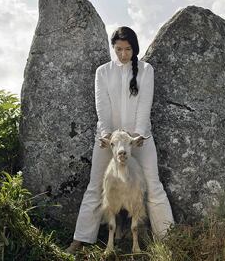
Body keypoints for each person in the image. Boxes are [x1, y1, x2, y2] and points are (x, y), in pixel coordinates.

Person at [66, 26, 174, 254]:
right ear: (113, 48)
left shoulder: (146, 70)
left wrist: (139, 135)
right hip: (108, 141)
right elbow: (101, 105)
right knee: (95, 186)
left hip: (139, 140)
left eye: (127, 49)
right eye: (118, 49)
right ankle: (81, 239)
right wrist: (106, 135)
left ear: (134, 48)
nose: (123, 54)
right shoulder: (103, 72)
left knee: (153, 186)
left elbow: (145, 105)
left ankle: (168, 239)